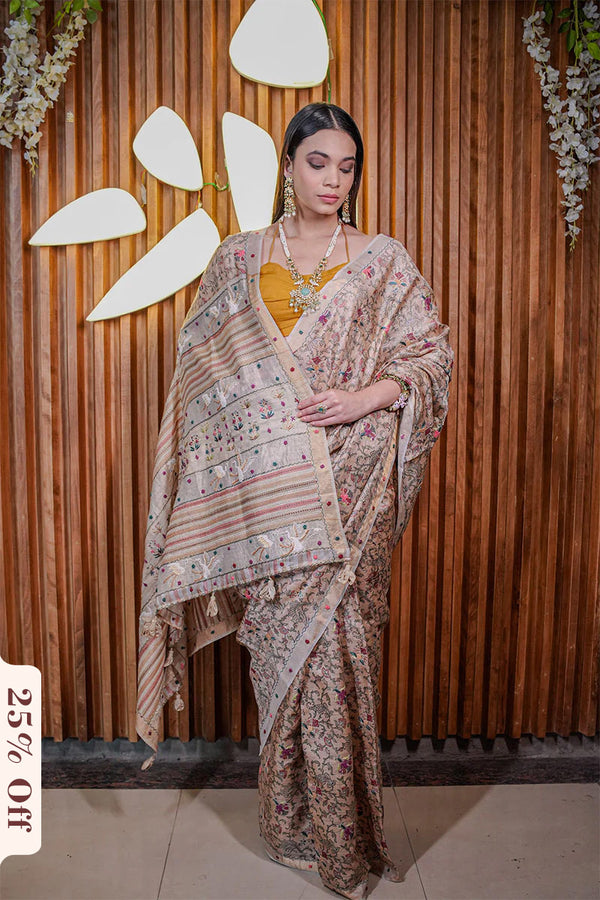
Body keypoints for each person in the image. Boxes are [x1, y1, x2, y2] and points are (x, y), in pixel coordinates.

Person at [135, 102, 453, 899]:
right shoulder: (238, 259)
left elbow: (431, 359)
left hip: (353, 489)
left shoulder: (381, 260)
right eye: (318, 163)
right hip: (266, 503)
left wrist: (361, 399)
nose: (333, 181)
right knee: (282, 652)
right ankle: (289, 824)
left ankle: (346, 840)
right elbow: (203, 372)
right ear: (288, 167)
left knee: (342, 646)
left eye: (347, 167)